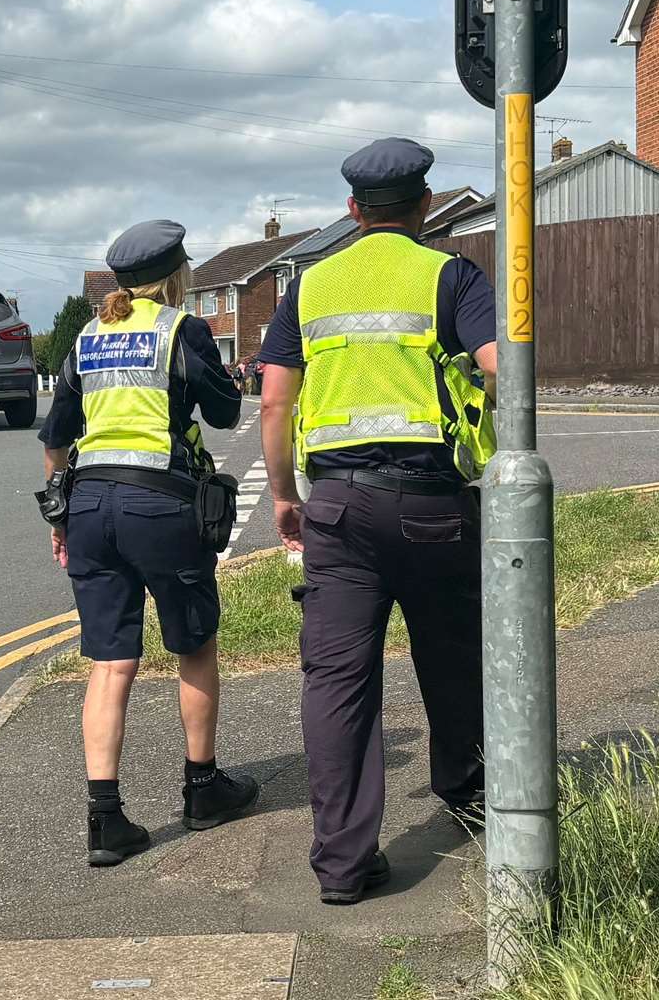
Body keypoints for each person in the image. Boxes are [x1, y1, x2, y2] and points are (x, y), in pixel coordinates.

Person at [257, 138, 498, 904]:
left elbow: (273, 400)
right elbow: (502, 366)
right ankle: (466, 794)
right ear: (425, 206)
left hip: (337, 507)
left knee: (337, 680)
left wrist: (285, 494)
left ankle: (342, 864)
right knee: (453, 653)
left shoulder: (310, 285)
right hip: (433, 501)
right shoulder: (450, 274)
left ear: (353, 210)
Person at [39, 219, 259, 868]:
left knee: (110, 664)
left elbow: (55, 438)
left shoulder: (86, 337)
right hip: (159, 505)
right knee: (194, 644)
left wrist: (59, 518)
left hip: (88, 507)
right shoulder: (179, 330)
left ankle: (105, 820)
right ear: (175, 277)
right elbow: (222, 413)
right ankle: (201, 789)